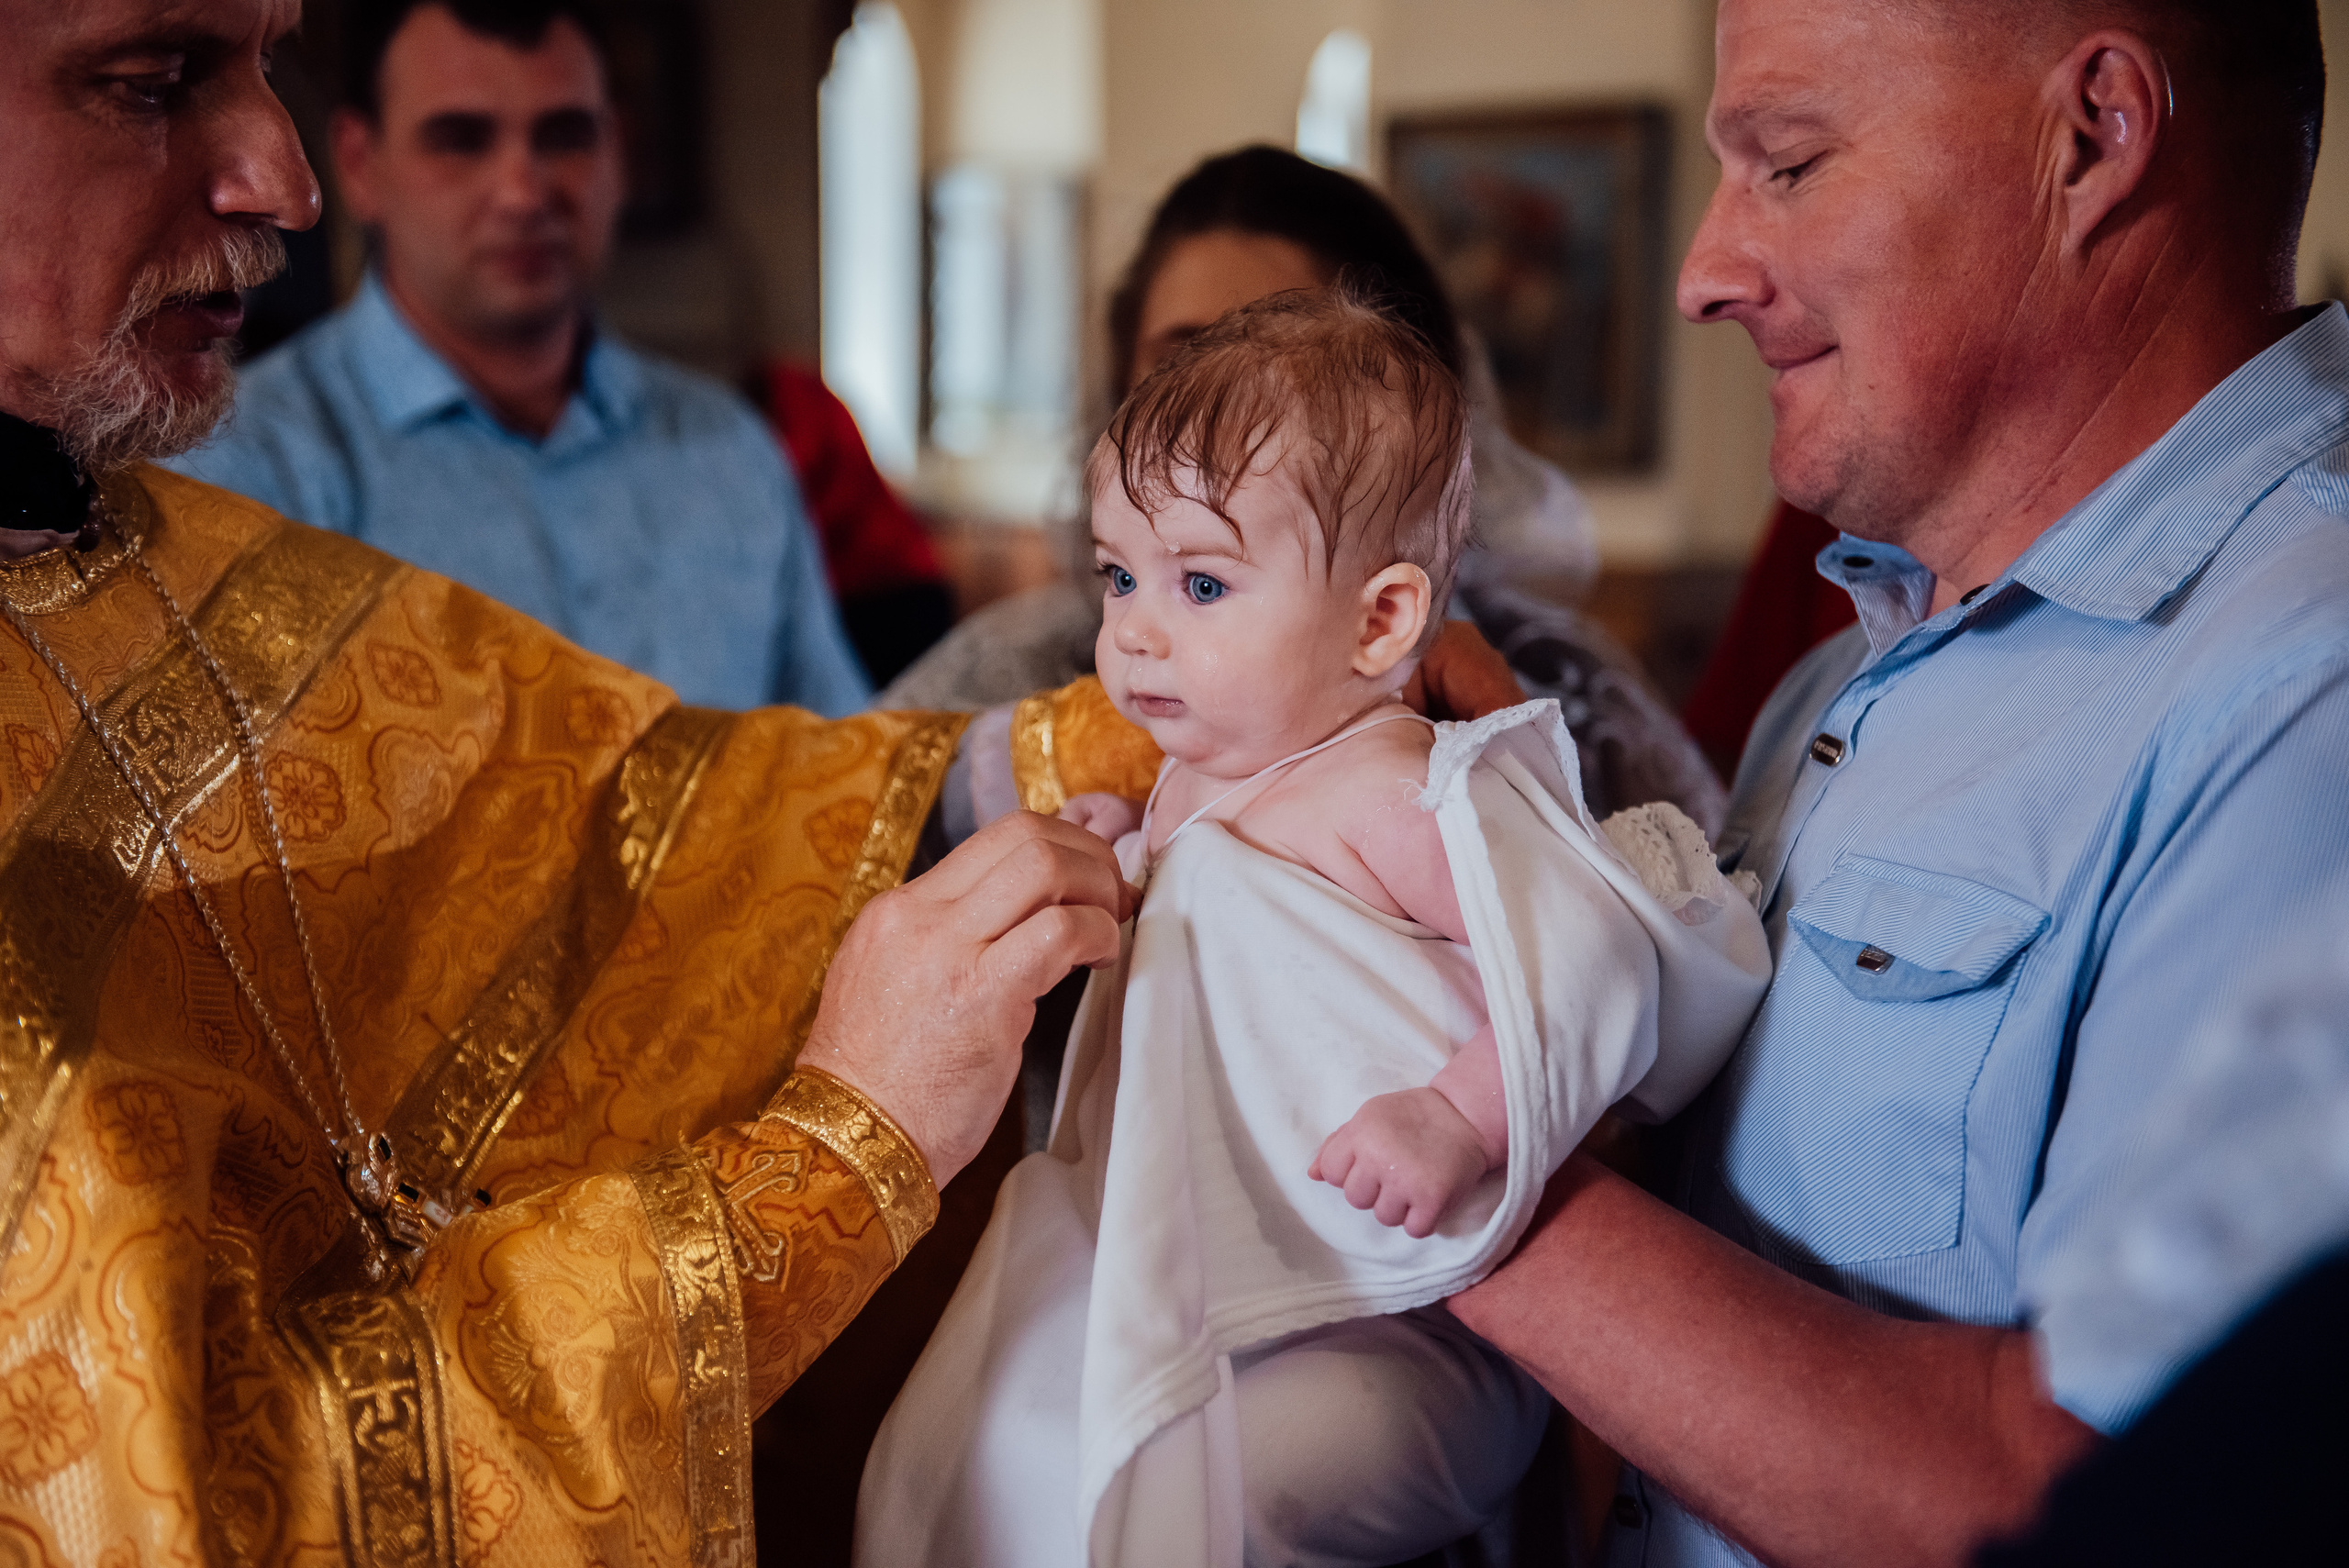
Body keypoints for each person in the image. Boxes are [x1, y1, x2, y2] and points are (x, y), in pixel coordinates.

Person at [0, 0, 1188, 1557]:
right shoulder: (252, 443)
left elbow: (646, 800)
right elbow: (191, 1492)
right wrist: (827, 1154)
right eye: (153, 81)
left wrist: (1197, 707)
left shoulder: (137, 537)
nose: (278, 183)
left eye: (264, 72)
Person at [1440, 2, 2349, 1565]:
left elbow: (2088, 1496)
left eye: (1788, 163)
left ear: (2092, 138)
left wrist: (1428, 1162)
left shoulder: (2303, 682)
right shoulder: (1852, 673)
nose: (1703, 272)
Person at [857, 294, 1768, 1567]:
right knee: (970, 1436)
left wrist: (1461, 1114)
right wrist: (1121, 862)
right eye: (1121, 573)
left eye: (1203, 581)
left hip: (1394, 1324)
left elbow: (1587, 955)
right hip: (1210, 1269)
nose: (1133, 627)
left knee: (1218, 1494)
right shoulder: (1201, 778)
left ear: (1382, 621)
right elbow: (1213, 959)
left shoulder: (1402, 786)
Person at [883, 146, 1725, 832]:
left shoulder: (1553, 694)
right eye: (1182, 360)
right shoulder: (1021, 665)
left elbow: (1638, 950)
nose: (1218, 408)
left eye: (1284, 361)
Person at [166, 0, 871, 713]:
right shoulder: (239, 474)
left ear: (618, 153)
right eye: (462, 140)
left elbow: (842, 764)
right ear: (358, 164)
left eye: (565, 135)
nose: (524, 192)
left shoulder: (731, 454)